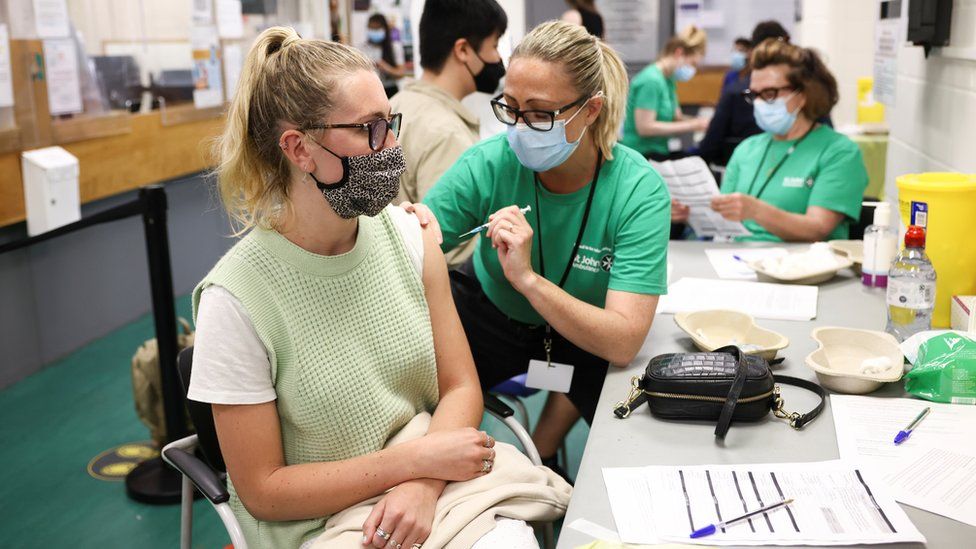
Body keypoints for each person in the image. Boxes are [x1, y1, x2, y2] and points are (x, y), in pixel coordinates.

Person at [189, 26, 569, 549]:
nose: (391, 148)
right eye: (369, 129)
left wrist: (420, 485)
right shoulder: (235, 301)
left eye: (389, 123)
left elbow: (462, 387)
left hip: (432, 488)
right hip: (321, 522)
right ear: (300, 149)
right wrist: (413, 464)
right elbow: (264, 492)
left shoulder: (410, 237)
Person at [420, 21, 671, 479]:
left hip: (585, 335)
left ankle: (548, 454)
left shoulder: (638, 191)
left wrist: (527, 279)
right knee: (419, 404)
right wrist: (405, 229)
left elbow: (621, 340)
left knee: (636, 448)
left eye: (538, 114)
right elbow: (414, 246)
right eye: (509, 107)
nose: (518, 127)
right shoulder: (490, 162)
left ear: (590, 110)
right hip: (491, 319)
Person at [709, 39, 868, 242]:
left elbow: (817, 228)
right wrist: (692, 213)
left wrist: (756, 210)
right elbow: (723, 219)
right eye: (754, 94)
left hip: (803, 266)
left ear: (802, 95)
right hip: (735, 262)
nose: (758, 103)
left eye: (769, 93)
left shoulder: (839, 152)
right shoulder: (747, 149)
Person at [390, 0, 507, 268]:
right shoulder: (447, 134)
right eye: (494, 46)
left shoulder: (396, 104)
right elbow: (448, 246)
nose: (498, 59)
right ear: (464, 50)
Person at [620, 25, 710, 162]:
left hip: (658, 152)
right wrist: (693, 125)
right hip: (640, 156)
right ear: (679, 53)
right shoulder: (651, 81)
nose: (692, 70)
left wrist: (700, 122)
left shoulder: (668, 80)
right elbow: (645, 127)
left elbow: (676, 117)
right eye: (692, 63)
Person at [365, 13, 406, 97]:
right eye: (371, 28)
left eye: (377, 28)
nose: (374, 31)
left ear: (384, 29)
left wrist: (385, 67)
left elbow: (401, 73)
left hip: (390, 89)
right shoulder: (363, 48)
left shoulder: (394, 47)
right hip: (370, 91)